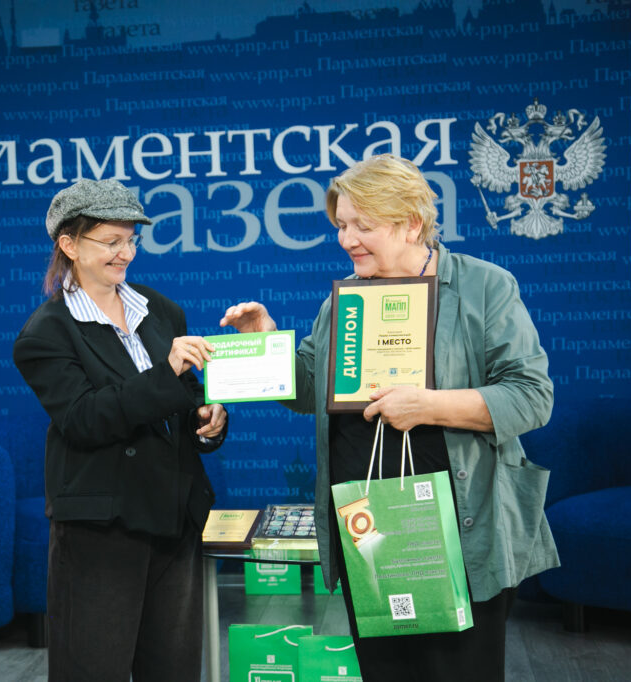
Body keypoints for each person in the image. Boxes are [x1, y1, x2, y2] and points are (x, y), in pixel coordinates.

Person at [220, 155, 558, 682]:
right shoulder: (343, 300)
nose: (346, 240)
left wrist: (428, 406)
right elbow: (310, 390)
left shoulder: (484, 286)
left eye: (363, 226)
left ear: (412, 224)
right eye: (341, 226)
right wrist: (265, 342)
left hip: (461, 536)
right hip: (369, 532)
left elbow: (531, 396)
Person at [13, 179, 229, 682]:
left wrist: (206, 422)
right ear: (69, 245)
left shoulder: (161, 310)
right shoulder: (45, 333)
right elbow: (85, 419)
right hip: (102, 531)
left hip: (173, 517)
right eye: (111, 241)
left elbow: (184, 399)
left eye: (131, 240)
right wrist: (166, 374)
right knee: (94, 669)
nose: (126, 253)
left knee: (174, 670)